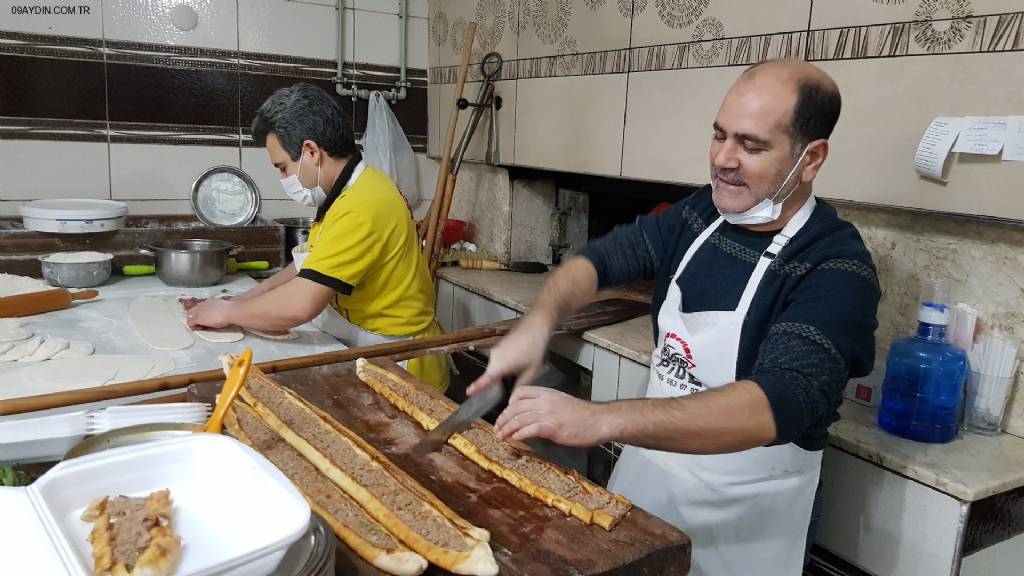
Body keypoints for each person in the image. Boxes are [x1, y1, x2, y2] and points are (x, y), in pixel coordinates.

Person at [467, 60, 880, 575]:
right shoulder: (699, 215)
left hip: (743, 523)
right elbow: (598, 262)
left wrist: (596, 418)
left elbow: (776, 403)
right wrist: (538, 323)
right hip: (647, 486)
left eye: (751, 146)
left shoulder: (835, 265)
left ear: (811, 157)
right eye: (718, 135)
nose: (724, 160)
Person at [188, 83, 448, 391]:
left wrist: (228, 312)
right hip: (365, 346)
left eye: (282, 167)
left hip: (399, 362)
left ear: (311, 151)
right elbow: (312, 261)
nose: (284, 178)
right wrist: (253, 295)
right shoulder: (348, 191)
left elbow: (301, 306)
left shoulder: (363, 204)